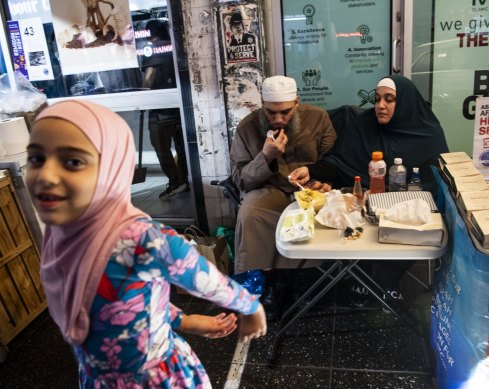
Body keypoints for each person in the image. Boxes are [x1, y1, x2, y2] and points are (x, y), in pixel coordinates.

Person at [25, 100, 266, 387]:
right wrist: (184, 321)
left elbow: (205, 278)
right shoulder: (62, 235)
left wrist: (250, 307)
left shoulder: (140, 238)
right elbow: (129, 299)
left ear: (112, 167)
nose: (46, 176)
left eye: (73, 162)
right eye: (37, 159)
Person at [289, 75, 449, 306]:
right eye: (377, 99)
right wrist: (311, 170)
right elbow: (340, 162)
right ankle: (362, 274)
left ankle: (392, 279)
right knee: (354, 222)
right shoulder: (364, 125)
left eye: (389, 99)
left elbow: (436, 179)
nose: (380, 106)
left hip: (409, 201)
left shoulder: (428, 133)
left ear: (405, 102)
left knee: (416, 222)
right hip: (365, 200)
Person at [230, 75, 337, 317]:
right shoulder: (247, 127)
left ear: (297, 103)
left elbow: (333, 161)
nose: (278, 119)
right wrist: (265, 156)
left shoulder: (318, 119)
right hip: (270, 188)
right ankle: (272, 281)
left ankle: (305, 278)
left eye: (286, 112)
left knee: (323, 212)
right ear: (262, 106)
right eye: (271, 113)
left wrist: (321, 179)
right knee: (251, 212)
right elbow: (240, 180)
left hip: (310, 188)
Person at [141, 19, 189, 199]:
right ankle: (185, 180)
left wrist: (142, 96)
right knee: (182, 148)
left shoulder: (153, 48)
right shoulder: (174, 46)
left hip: (160, 110)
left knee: (161, 149)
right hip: (179, 109)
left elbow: (149, 77)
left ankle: (176, 182)